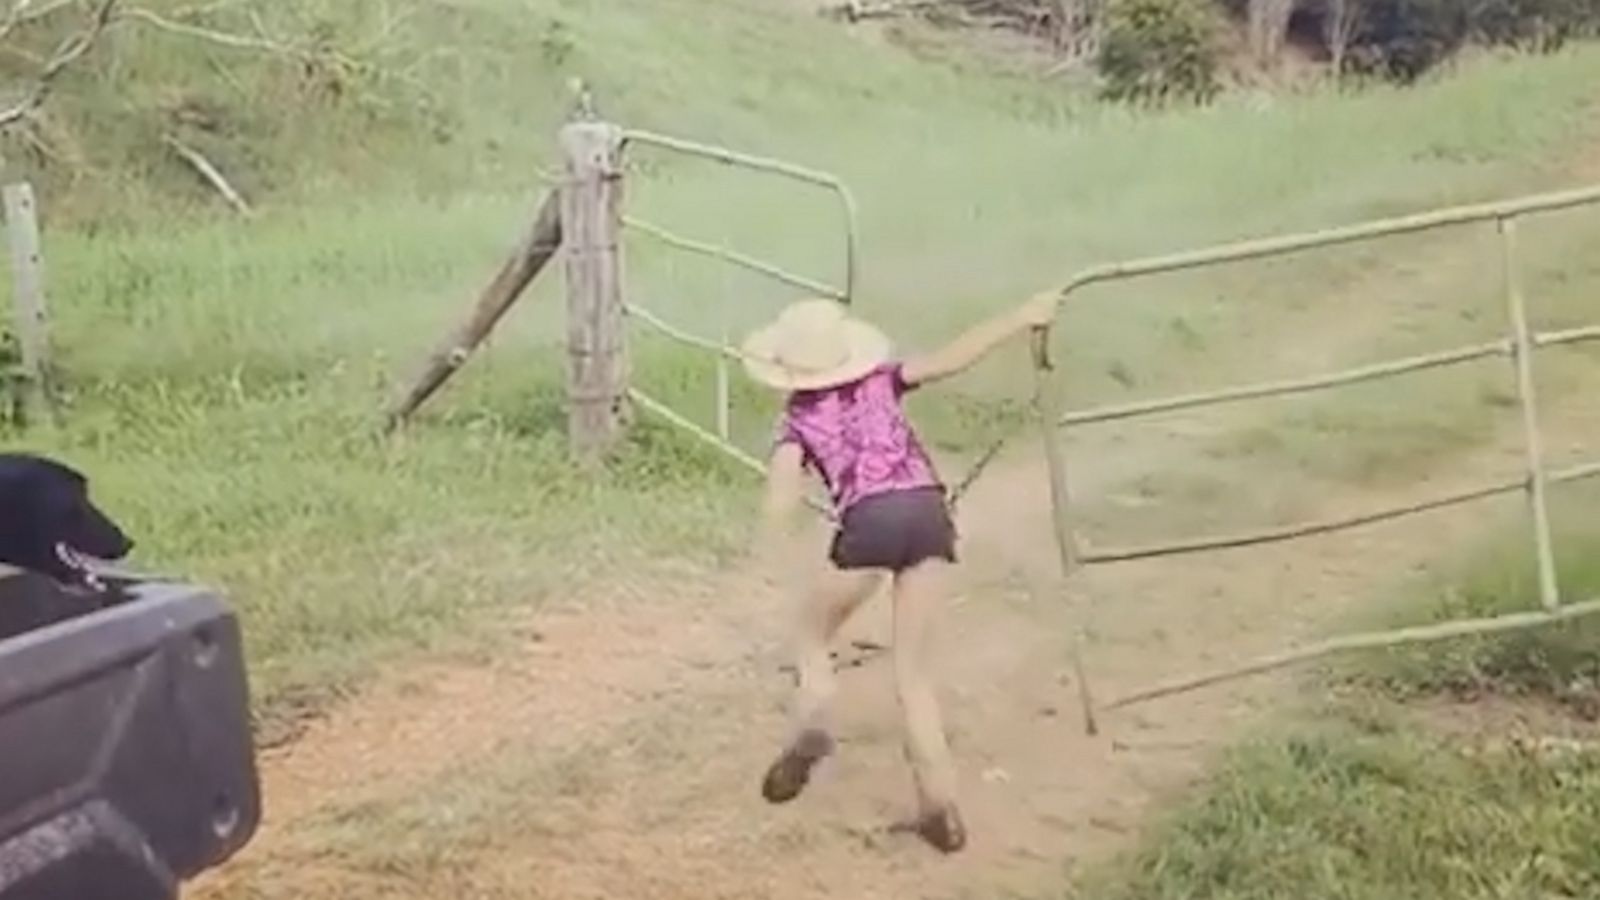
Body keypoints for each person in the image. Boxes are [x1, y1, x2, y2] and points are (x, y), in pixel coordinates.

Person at [742, 290, 1059, 854]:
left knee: (811, 635)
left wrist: (771, 553)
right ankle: (941, 811)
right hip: (928, 512)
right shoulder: (884, 380)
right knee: (914, 677)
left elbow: (780, 501)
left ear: (789, 369)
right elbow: (953, 356)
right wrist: (1019, 316)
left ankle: (814, 721)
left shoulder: (796, 423)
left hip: (868, 522)